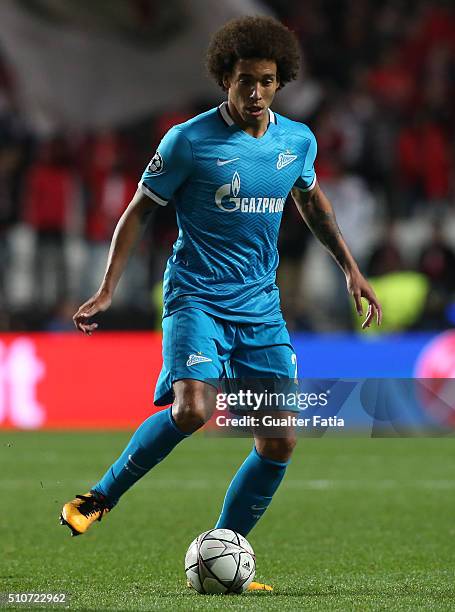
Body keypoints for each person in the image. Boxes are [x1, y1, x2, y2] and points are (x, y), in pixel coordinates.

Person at [60, 16, 382, 591]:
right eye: (243, 81)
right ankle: (101, 496)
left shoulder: (296, 141)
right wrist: (108, 287)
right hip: (196, 299)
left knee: (279, 440)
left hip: (260, 307)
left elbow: (313, 205)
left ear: (280, 81)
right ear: (223, 81)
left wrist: (352, 270)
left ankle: (227, 548)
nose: (255, 92)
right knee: (191, 410)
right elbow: (139, 209)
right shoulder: (188, 140)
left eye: (265, 80)